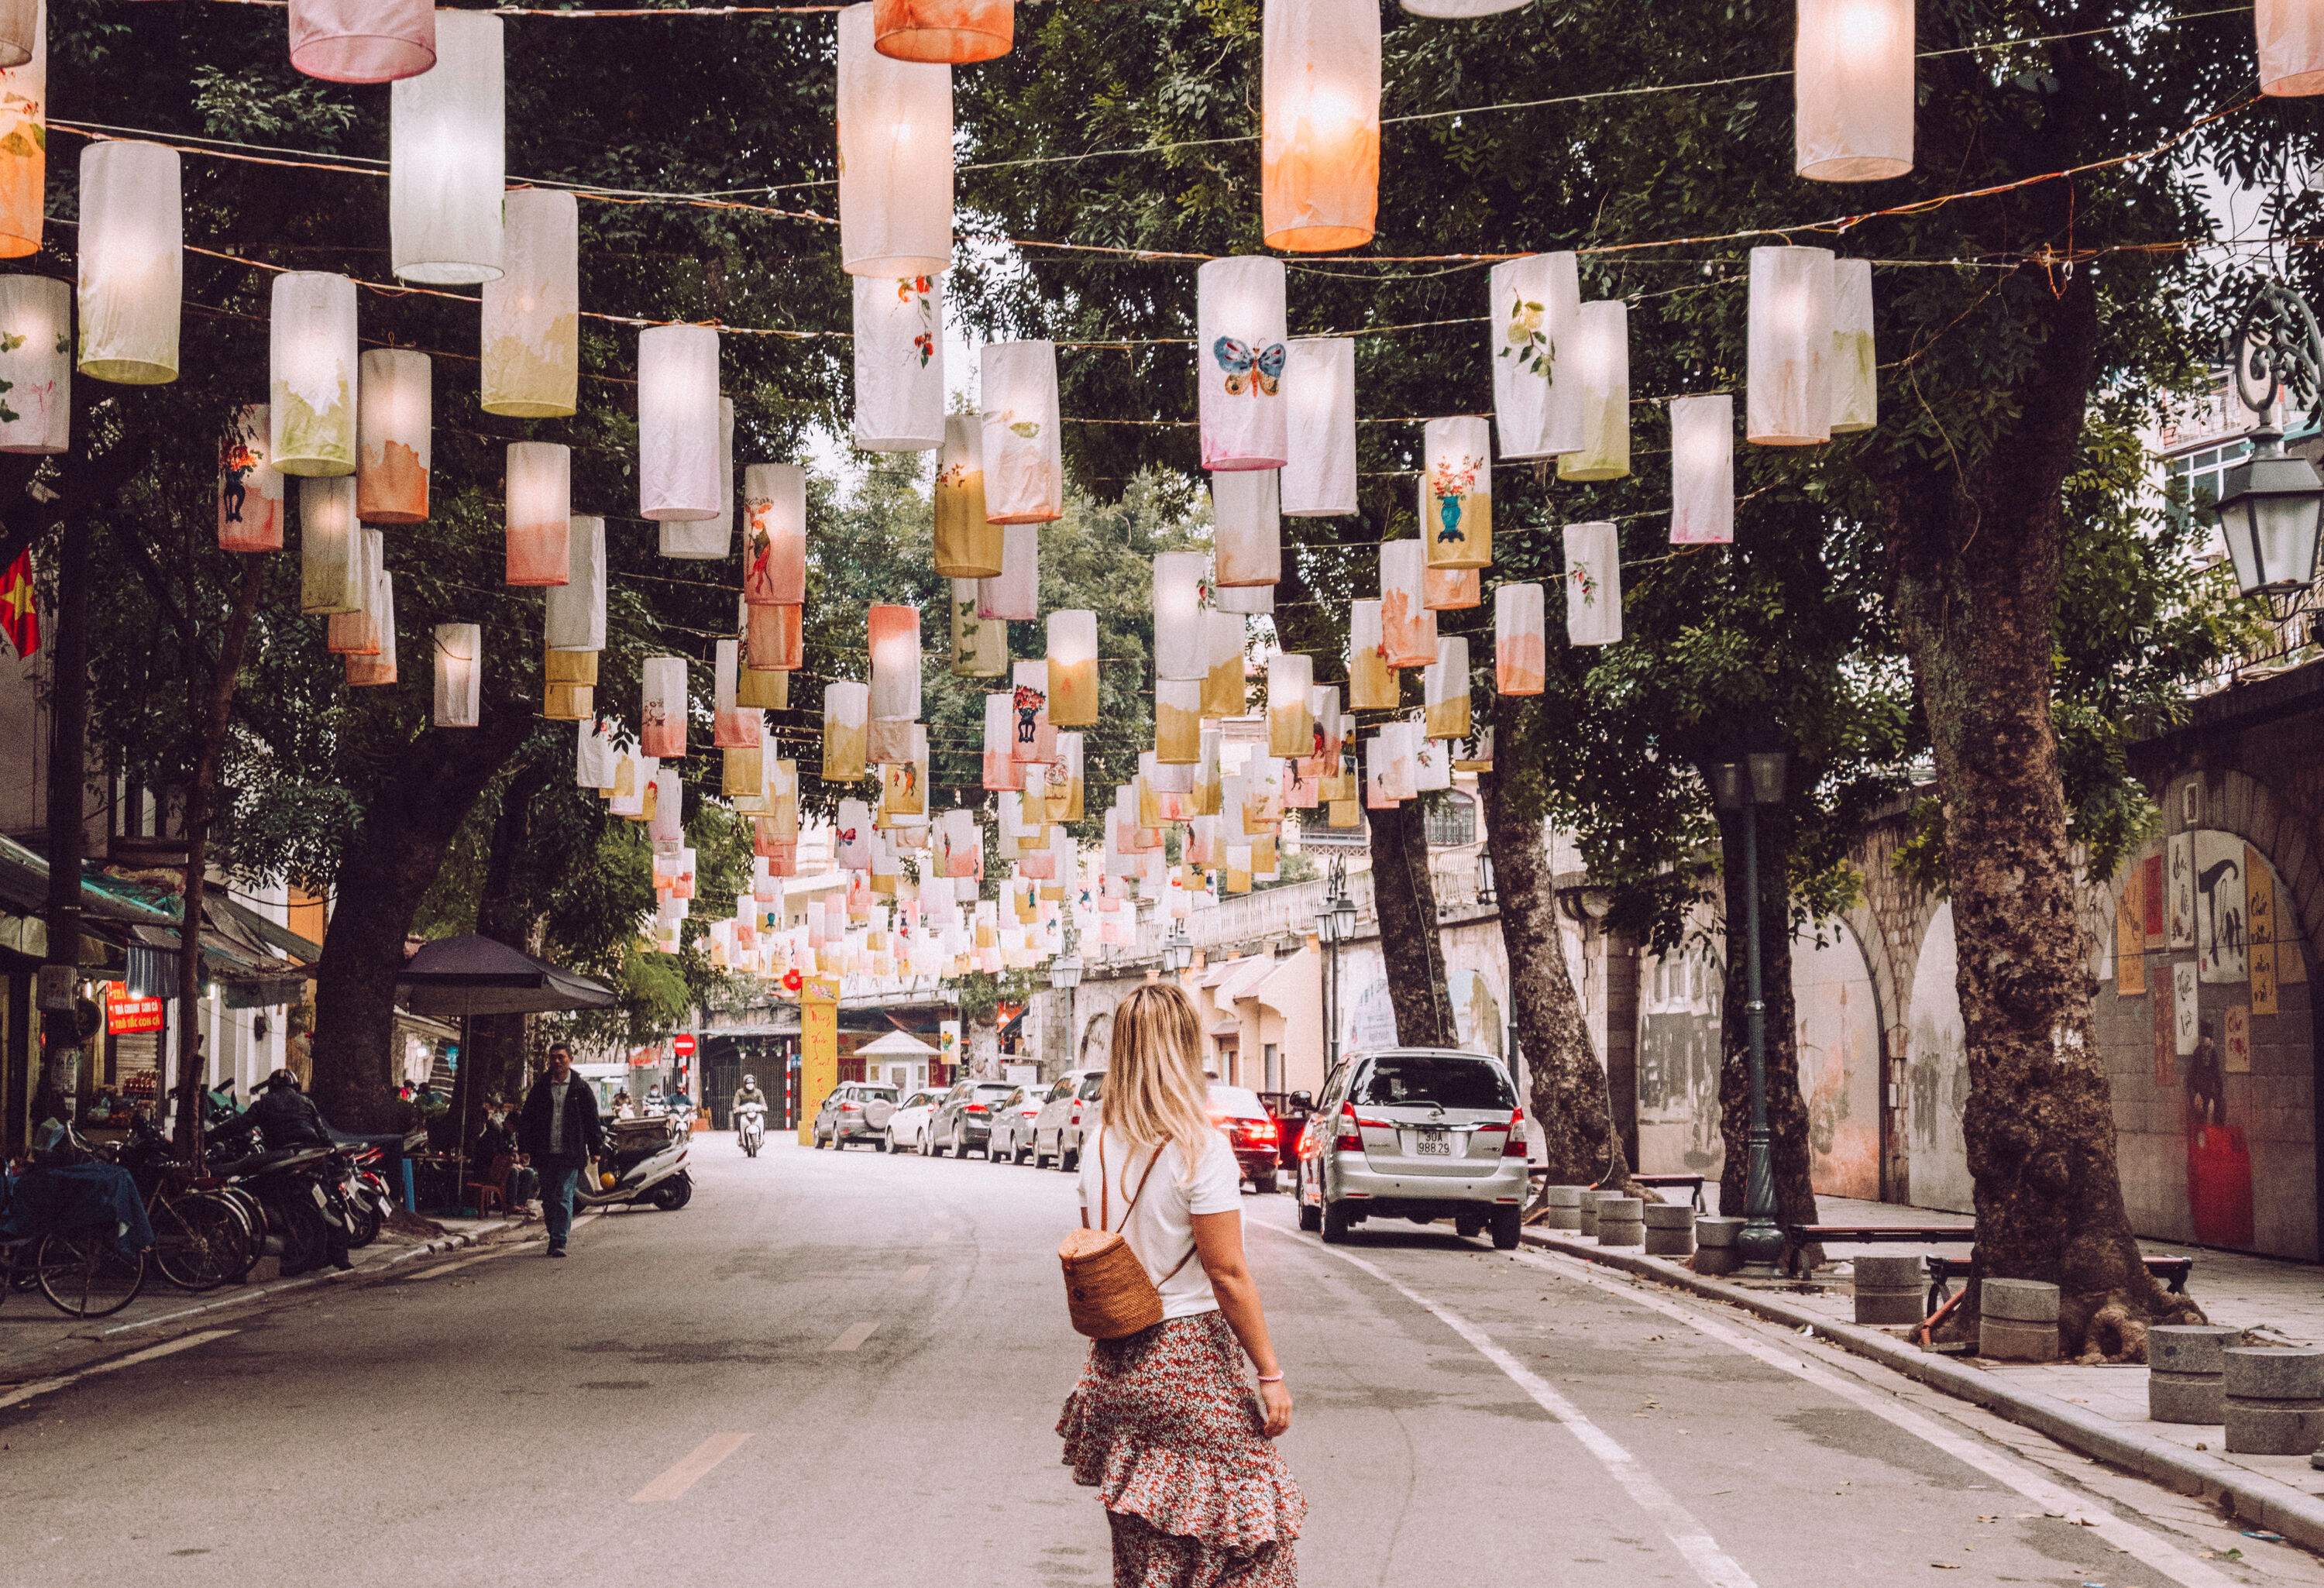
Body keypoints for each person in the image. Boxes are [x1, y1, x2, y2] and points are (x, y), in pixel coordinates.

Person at [1057, 983, 1301, 1586]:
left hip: (1112, 1369)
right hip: (1185, 1362)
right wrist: (1269, 1373)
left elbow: (1102, 1247)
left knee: (1150, 1554)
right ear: (1185, 1050)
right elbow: (1228, 1273)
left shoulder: (1099, 1146)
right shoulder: (1199, 1149)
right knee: (1248, 1541)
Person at [211, 1070, 353, 1275]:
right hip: (311, 1156)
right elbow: (323, 1135)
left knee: (245, 1171)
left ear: (272, 1087)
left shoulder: (265, 1103)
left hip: (282, 1156)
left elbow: (239, 1124)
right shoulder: (306, 1103)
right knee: (327, 1201)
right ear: (294, 1087)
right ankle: (341, 1257)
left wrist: (210, 1135)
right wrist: (335, 1159)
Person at [517, 1044, 602, 1258]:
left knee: (564, 1195)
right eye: (553, 1058)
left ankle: (559, 1240)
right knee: (549, 1198)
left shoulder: (580, 1088)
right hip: (545, 1153)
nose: (557, 1061)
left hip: (570, 1153)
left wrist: (595, 1149)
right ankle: (553, 1233)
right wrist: (525, 1148)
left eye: (561, 1057)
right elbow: (527, 1120)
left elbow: (592, 1120)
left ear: (570, 1059)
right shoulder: (541, 1087)